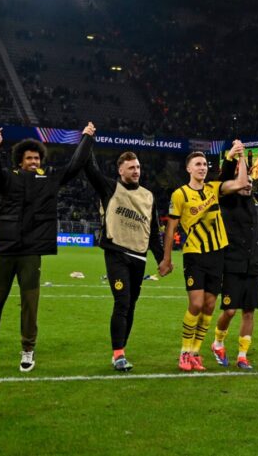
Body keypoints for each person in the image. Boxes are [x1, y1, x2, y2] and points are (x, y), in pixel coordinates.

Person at [0, 123, 94, 372]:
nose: (33, 161)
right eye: (29, 157)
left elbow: (75, 166)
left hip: (32, 250)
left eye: (37, 157)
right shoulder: (8, 178)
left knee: (30, 303)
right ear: (20, 160)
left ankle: (28, 349)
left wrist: (85, 138)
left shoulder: (48, 180)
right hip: (5, 248)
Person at [161, 143, 250, 372]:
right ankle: (184, 352)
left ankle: (196, 352)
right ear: (188, 169)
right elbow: (171, 229)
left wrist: (240, 158)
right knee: (196, 304)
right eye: (197, 164)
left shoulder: (213, 188)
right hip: (194, 255)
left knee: (210, 306)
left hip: (217, 254)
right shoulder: (179, 194)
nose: (202, 168)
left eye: (204, 164)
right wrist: (167, 258)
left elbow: (241, 183)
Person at [82, 149, 166, 372]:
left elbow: (154, 231)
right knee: (122, 301)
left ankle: (122, 349)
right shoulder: (110, 188)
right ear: (121, 170)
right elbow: (90, 169)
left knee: (130, 306)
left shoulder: (148, 196)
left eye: (138, 167)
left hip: (139, 257)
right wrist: (88, 141)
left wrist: (162, 259)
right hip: (116, 253)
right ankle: (118, 354)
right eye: (131, 167)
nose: (136, 171)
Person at [211, 148, 258, 370]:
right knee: (229, 310)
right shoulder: (227, 200)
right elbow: (224, 180)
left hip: (254, 264)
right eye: (243, 181)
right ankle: (218, 342)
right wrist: (237, 157)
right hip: (232, 263)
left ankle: (242, 355)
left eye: (249, 182)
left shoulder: (257, 203)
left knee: (248, 312)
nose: (247, 184)